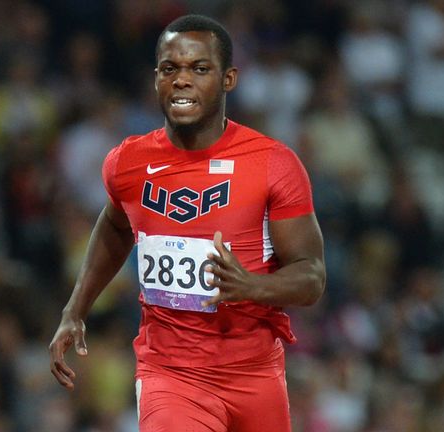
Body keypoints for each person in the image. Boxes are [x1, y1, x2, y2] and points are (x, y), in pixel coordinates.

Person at [49, 14, 325, 432]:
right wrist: (75, 310)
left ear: (228, 78)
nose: (181, 80)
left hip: (255, 376)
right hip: (170, 376)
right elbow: (116, 225)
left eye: (199, 69)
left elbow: (312, 277)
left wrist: (252, 286)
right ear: (155, 77)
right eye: (169, 69)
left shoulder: (273, 164)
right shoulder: (127, 163)